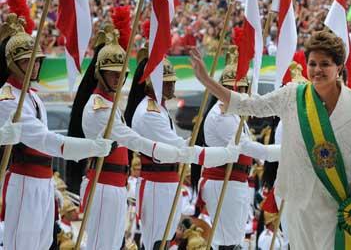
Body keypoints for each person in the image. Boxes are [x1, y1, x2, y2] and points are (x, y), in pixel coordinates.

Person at [190, 29, 351, 248]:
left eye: (325, 64)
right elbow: (250, 105)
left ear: (339, 67)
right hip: (297, 203)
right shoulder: (293, 95)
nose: (317, 70)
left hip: (340, 205)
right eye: (312, 63)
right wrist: (207, 81)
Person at [78, 23, 239, 250]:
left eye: (120, 73)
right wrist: (215, 154)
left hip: (126, 184)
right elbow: (145, 144)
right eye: (111, 73)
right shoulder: (108, 109)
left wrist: (192, 148)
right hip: (121, 184)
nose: (117, 78)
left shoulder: (125, 106)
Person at [0, 13, 113, 250]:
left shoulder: (33, 97)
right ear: (12, 63)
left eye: (37, 60)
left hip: (43, 179)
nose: (35, 66)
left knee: (43, 243)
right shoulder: (8, 98)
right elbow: (43, 140)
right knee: (22, 245)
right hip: (24, 180)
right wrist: (89, 147)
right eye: (26, 61)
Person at [124, 50, 240, 250]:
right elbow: (178, 149)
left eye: (172, 81)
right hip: (156, 183)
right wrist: (221, 154)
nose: (172, 85)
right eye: (167, 81)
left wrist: (191, 140)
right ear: (154, 83)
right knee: (156, 244)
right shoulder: (148, 112)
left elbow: (177, 145)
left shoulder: (158, 108)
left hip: (167, 181)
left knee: (166, 241)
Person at [196, 45, 281, 250]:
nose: (243, 93)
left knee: (235, 239)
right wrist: (283, 150)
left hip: (236, 180)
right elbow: (246, 148)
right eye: (239, 89)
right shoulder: (222, 115)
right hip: (224, 180)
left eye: (244, 89)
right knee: (227, 242)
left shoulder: (234, 113)